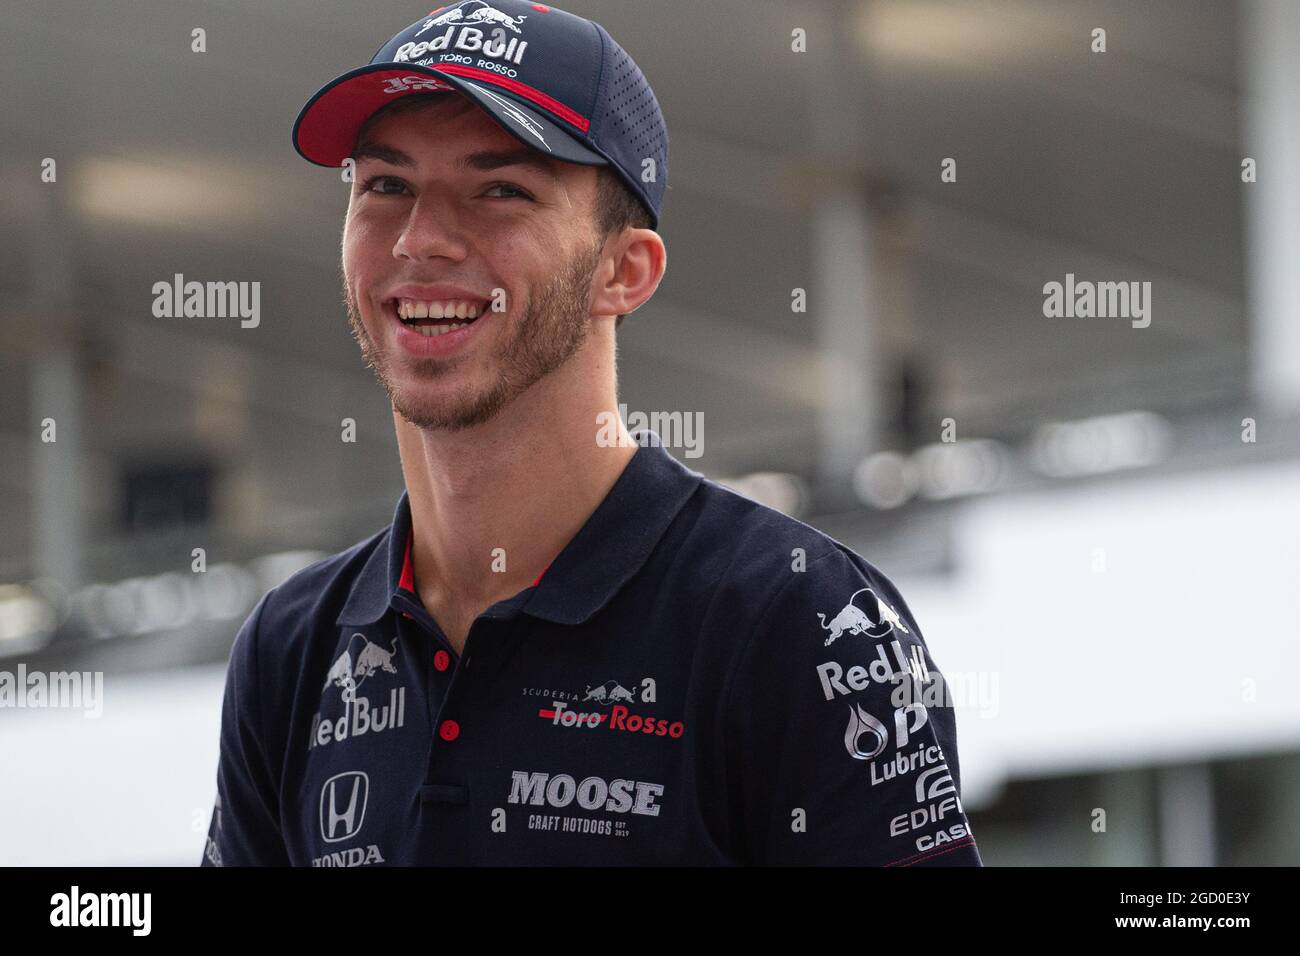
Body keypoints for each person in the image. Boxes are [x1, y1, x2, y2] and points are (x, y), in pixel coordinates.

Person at [201, 0, 982, 867]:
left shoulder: (800, 619)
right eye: (386, 186)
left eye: (501, 189)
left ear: (625, 271)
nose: (420, 240)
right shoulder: (292, 649)